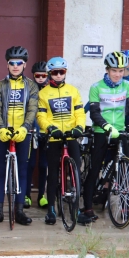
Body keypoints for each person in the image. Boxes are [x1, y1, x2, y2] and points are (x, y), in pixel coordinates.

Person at [79, 51, 129, 225]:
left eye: (121, 71)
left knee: (128, 168)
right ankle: (87, 208)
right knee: (94, 170)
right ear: (107, 70)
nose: (117, 74)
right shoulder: (96, 87)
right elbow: (94, 112)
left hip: (120, 130)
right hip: (102, 131)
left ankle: (127, 206)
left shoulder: (127, 87)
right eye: (114, 70)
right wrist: (105, 126)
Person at [0, 46, 39, 226]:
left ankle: (20, 210)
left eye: (19, 63)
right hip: (4, 132)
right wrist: (0, 127)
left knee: (22, 171)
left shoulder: (31, 85)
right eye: (12, 63)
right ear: (7, 64)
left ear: (24, 65)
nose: (15, 66)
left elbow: (32, 108)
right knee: (1, 172)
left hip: (24, 133)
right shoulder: (0, 85)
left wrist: (25, 127)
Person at [36, 57, 85, 226]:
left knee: (76, 172)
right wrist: (49, 128)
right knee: (53, 174)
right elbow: (41, 115)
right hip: (54, 136)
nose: (58, 75)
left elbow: (79, 112)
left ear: (65, 73)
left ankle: (76, 210)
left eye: (61, 72)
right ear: (50, 74)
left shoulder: (73, 91)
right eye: (55, 73)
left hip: (71, 136)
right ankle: (51, 209)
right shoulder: (43, 93)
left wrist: (80, 127)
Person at [27, 60, 50, 208]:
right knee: (29, 165)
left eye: (44, 75)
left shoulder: (50, 91)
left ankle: (42, 195)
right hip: (31, 132)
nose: (41, 78)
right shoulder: (29, 90)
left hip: (46, 132)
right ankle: (26, 195)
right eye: (38, 75)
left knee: (43, 165)